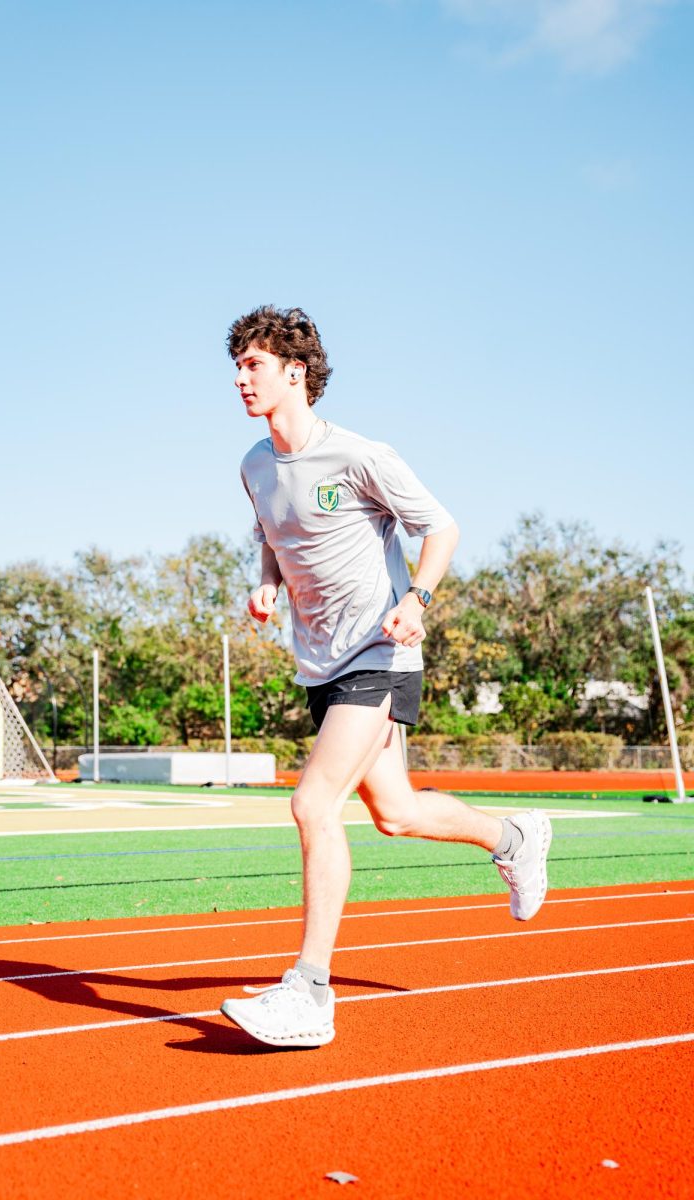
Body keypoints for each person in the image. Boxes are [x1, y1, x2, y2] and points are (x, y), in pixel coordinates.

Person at [220, 306, 551, 1048]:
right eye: (237, 366)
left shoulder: (362, 456)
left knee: (312, 805)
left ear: (295, 372)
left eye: (254, 365)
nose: (241, 379)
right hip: (320, 660)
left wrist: (417, 599)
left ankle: (309, 991)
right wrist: (268, 582)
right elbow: (274, 533)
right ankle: (514, 837)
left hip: (381, 650)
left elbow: (442, 528)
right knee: (394, 812)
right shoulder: (253, 465)